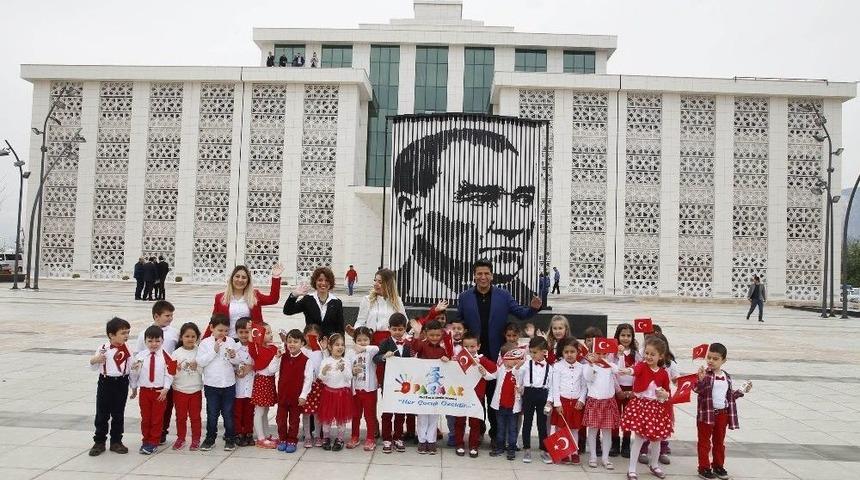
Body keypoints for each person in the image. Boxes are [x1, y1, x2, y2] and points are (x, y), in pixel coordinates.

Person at [392, 128, 541, 305]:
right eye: (481, 198)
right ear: (411, 211)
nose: (513, 226)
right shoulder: (389, 298)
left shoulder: (526, 302)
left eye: (523, 199)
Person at [458, 258, 541, 449]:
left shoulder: (503, 296)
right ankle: (477, 433)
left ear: (492, 275)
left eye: (486, 273)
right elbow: (460, 323)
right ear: (474, 275)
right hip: (474, 357)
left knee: (494, 398)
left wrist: (534, 308)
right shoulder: (465, 297)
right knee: (476, 397)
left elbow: (520, 313)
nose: (483, 277)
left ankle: (496, 435)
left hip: (497, 357)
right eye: (479, 273)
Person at [618, 336, 675, 480]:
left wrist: (664, 394)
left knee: (656, 440)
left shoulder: (663, 373)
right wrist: (626, 371)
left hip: (656, 409)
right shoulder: (642, 366)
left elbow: (667, 393)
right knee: (638, 439)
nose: (648, 357)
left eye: (652, 354)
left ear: (661, 356)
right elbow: (634, 370)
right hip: (641, 407)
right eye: (647, 353)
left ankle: (654, 465)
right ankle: (631, 469)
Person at [695, 343, 752, 480]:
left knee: (719, 441)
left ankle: (718, 465)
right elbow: (697, 389)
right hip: (706, 415)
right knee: (704, 442)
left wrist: (741, 391)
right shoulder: (705, 375)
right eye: (709, 357)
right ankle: (704, 467)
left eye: (715, 359)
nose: (711, 361)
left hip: (722, 414)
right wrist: (701, 380)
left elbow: (729, 396)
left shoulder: (726, 376)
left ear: (723, 360)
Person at [135, 300, 178, 445]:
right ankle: (149, 437)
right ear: (156, 316)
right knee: (148, 413)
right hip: (150, 380)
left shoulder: (174, 332)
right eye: (167, 315)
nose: (170, 318)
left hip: (168, 376)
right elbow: (139, 354)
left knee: (166, 406)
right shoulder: (143, 334)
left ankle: (162, 432)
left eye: (172, 315)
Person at [197, 314, 242, 451]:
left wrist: (234, 357)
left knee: (228, 412)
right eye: (220, 330)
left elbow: (236, 362)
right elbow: (201, 361)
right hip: (212, 384)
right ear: (212, 328)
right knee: (212, 413)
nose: (223, 333)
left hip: (228, 383)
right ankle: (210, 438)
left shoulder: (231, 342)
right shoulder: (205, 343)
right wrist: (214, 350)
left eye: (226, 330)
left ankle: (230, 437)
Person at [88, 317, 132, 457]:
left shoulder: (127, 349)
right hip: (105, 382)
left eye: (127, 332)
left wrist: (135, 384)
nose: (126, 336)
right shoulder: (103, 348)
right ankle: (99, 441)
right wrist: (95, 360)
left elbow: (131, 367)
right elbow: (93, 367)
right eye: (123, 333)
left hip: (122, 382)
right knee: (102, 413)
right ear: (111, 335)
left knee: (118, 414)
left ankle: (116, 441)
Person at [129, 325, 175, 455]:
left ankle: (153, 442)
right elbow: (133, 374)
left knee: (157, 418)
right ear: (145, 341)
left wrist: (166, 388)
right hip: (144, 391)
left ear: (162, 341)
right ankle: (146, 440)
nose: (154, 344)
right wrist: (133, 388)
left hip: (159, 392)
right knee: (145, 418)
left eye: (157, 341)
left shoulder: (167, 356)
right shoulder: (140, 356)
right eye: (150, 341)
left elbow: (170, 373)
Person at [408, 319, 450, 455]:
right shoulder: (422, 345)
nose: (434, 338)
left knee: (433, 415)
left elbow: (449, 363)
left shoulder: (442, 349)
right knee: (422, 416)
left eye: (437, 335)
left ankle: (431, 441)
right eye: (432, 335)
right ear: (426, 334)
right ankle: (422, 440)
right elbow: (414, 347)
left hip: (436, 389)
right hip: (422, 387)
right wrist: (416, 333)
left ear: (441, 334)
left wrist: (446, 360)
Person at [453, 332, 497, 458]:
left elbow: (494, 373)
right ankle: (459, 444)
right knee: (459, 422)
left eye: (472, 347)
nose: (470, 349)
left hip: (477, 397)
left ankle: (473, 446)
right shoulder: (458, 359)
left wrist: (483, 371)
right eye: (466, 347)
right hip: (461, 395)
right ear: (462, 347)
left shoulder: (482, 359)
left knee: (475, 423)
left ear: (478, 346)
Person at [374, 313, 413, 453]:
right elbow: (375, 358)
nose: (397, 332)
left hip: (404, 384)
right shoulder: (385, 343)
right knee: (388, 410)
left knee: (400, 411)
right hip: (389, 384)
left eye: (400, 329)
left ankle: (398, 436)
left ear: (405, 329)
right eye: (394, 329)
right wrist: (384, 356)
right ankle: (386, 437)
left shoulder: (409, 344)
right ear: (389, 328)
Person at [212, 263, 282, 337]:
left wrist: (275, 277)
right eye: (237, 276)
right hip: (227, 341)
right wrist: (203, 341)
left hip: (250, 341)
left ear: (248, 281)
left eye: (244, 277)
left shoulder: (255, 296)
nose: (240, 280)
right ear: (232, 278)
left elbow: (273, 299)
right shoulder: (220, 298)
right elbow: (214, 321)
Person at [276, 329, 315, 453]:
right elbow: (272, 369)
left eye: (295, 342)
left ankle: (292, 439)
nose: (292, 344)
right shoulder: (283, 357)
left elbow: (308, 379)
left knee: (294, 420)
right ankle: (282, 438)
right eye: (289, 341)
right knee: (280, 420)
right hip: (282, 395)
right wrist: (277, 357)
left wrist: (303, 395)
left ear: (302, 344)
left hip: (296, 397)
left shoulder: (306, 360)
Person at [583, 349, 622, 471]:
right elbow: (588, 378)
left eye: (603, 353)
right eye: (598, 353)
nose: (600, 356)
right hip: (594, 401)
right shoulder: (588, 365)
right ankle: (593, 456)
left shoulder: (609, 366)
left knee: (607, 431)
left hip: (608, 402)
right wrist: (591, 364)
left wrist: (618, 356)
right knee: (593, 431)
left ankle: (605, 458)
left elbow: (618, 371)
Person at [550, 337, 587, 465]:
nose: (569, 354)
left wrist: (582, 400)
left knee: (575, 429)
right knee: (561, 428)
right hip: (563, 402)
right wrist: (557, 403)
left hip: (575, 403)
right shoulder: (558, 366)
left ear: (578, 352)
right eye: (566, 352)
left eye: (572, 351)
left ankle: (574, 452)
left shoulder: (582, 367)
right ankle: (564, 452)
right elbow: (554, 386)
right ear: (562, 352)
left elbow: (584, 386)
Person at [519, 336, 553, 464]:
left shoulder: (550, 368)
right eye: (531, 352)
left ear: (544, 351)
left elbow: (552, 386)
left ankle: (544, 450)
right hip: (529, 393)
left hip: (543, 395)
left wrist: (549, 401)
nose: (532, 355)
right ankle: (527, 449)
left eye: (535, 352)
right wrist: (518, 369)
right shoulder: (526, 365)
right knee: (527, 422)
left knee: (542, 424)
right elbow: (518, 376)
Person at [317, 333, 354, 451]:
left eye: (342, 345)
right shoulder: (326, 361)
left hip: (342, 394)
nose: (340, 347)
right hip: (328, 393)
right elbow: (321, 378)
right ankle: (326, 437)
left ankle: (340, 438)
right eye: (337, 344)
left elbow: (349, 377)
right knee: (327, 418)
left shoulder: (346, 361)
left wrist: (343, 370)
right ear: (330, 347)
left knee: (341, 418)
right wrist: (323, 371)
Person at [283, 267, 344, 337]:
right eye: (320, 280)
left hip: (329, 344)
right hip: (310, 343)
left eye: (327, 280)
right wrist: (294, 295)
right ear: (315, 282)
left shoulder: (336, 302)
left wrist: (339, 345)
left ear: (331, 283)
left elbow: (340, 329)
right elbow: (287, 311)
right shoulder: (308, 299)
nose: (323, 283)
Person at [610, 323, 641, 458]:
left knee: (628, 418)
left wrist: (633, 391)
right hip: (617, 389)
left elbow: (639, 373)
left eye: (629, 335)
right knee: (615, 417)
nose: (626, 338)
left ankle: (626, 444)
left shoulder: (637, 355)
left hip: (631, 390)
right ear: (617, 336)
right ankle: (615, 443)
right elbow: (613, 372)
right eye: (623, 335)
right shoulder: (613, 354)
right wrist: (618, 390)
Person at [489, 343, 525, 461]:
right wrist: (483, 371)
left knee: (512, 429)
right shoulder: (500, 369)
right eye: (512, 358)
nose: (515, 361)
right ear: (504, 359)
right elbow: (491, 376)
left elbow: (521, 380)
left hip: (513, 407)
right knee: (501, 428)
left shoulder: (519, 371)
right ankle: (500, 447)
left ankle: (512, 448)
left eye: (517, 358)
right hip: (500, 406)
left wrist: (518, 367)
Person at [171, 322, 203, 451]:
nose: (190, 339)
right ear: (181, 337)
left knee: (195, 416)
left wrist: (198, 366)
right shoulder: (176, 353)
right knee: (181, 416)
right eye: (187, 336)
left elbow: (204, 370)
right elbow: (171, 373)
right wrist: (176, 369)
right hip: (179, 390)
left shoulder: (200, 352)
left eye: (193, 336)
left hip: (195, 389)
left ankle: (196, 438)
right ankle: (181, 438)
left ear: (197, 338)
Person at [249, 323, 281, 448]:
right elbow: (252, 346)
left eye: (271, 332)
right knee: (260, 410)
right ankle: (260, 438)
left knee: (266, 409)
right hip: (262, 381)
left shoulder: (272, 348)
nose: (271, 335)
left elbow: (274, 368)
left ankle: (266, 434)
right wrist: (253, 335)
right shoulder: (257, 349)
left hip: (270, 381)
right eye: (267, 333)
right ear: (260, 335)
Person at [347, 327, 379, 451]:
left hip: (369, 390)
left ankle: (370, 438)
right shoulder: (351, 353)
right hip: (355, 390)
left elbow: (377, 348)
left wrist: (364, 348)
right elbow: (347, 368)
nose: (362, 342)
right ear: (354, 340)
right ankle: (354, 436)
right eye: (359, 340)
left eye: (365, 339)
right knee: (355, 415)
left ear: (370, 340)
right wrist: (352, 371)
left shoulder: (370, 351)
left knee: (369, 415)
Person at [354, 268, 406, 333]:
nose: (376, 284)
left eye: (380, 282)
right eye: (375, 280)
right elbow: (360, 321)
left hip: (391, 340)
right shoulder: (367, 300)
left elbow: (404, 322)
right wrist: (356, 332)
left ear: (388, 284)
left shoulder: (397, 300)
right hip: (371, 339)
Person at [232, 318, 255, 447]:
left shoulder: (255, 347)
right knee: (237, 412)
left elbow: (259, 362)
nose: (244, 335)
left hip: (251, 385)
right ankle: (238, 433)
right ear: (236, 333)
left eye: (247, 332)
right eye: (241, 332)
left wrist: (250, 367)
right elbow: (231, 363)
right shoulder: (234, 348)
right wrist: (237, 369)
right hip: (238, 386)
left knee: (249, 412)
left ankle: (248, 432)